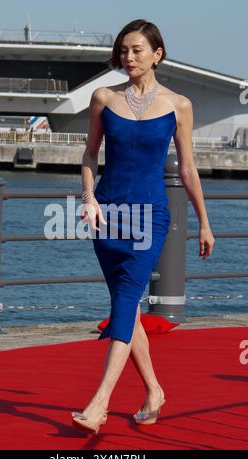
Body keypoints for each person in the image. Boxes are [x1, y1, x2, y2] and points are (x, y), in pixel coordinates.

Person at [72, 18, 215, 434]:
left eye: (136, 50)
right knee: (127, 310)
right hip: (107, 216)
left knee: (127, 300)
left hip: (150, 217)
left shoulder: (178, 104)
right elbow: (88, 155)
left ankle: (99, 404)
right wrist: (89, 198)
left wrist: (204, 222)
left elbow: (188, 169)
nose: (128, 57)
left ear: (157, 54)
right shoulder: (103, 97)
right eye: (123, 50)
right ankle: (154, 390)